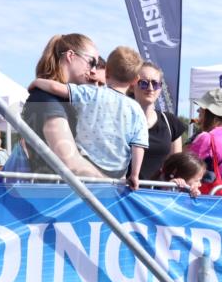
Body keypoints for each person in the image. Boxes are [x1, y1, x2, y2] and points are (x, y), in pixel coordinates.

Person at [28, 45, 148, 189]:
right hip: (117, 171)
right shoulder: (137, 110)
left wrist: (37, 82)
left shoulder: (91, 93)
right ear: (135, 80)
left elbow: (56, 88)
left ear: (107, 72)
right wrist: (134, 174)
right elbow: (138, 145)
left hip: (87, 163)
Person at [21, 34, 106, 177]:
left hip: (66, 195)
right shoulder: (46, 99)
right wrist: (114, 182)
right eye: (91, 62)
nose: (93, 71)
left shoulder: (60, 99)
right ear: (71, 56)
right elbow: (71, 164)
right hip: (55, 195)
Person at [133, 61, 185, 182]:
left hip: (157, 196)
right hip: (124, 194)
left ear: (160, 88)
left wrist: (177, 180)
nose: (150, 88)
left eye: (155, 84)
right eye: (144, 83)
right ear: (133, 84)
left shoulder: (171, 122)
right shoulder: (122, 118)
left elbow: (175, 167)